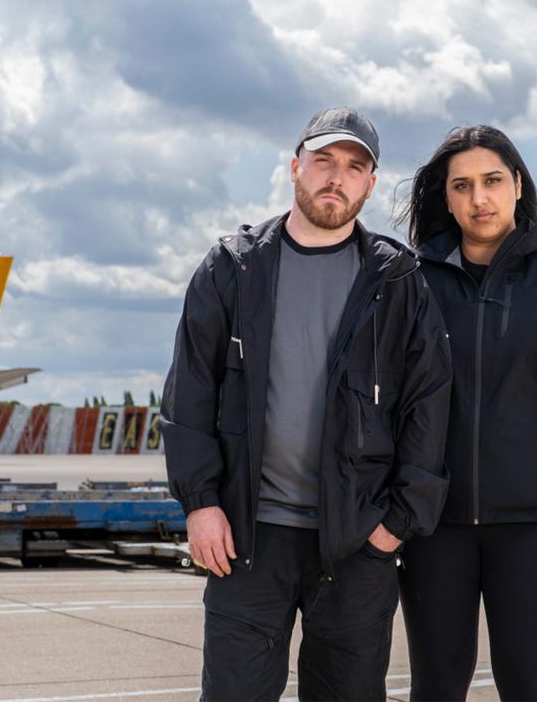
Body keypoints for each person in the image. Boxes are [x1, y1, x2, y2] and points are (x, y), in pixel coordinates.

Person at [160, 107, 452, 701]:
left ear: (370, 184)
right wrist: (201, 504)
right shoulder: (233, 267)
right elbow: (189, 391)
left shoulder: (396, 279)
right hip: (247, 539)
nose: (336, 178)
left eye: (354, 167)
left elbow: (428, 403)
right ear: (296, 167)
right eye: (324, 161)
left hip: (355, 542)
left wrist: (395, 524)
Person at [397, 125, 537, 701]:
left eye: (493, 181)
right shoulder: (410, 283)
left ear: (518, 185)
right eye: (463, 185)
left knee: (528, 684)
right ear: (444, 197)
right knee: (437, 685)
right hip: (432, 527)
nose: (480, 199)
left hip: (535, 527)